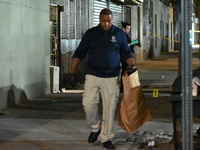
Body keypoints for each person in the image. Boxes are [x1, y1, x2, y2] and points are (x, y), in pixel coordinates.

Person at [69, 8, 136, 149]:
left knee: (109, 108)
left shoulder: (119, 34)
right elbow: (79, 53)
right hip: (92, 74)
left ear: (112, 20)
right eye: (103, 21)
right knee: (88, 104)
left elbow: (126, 53)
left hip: (111, 76)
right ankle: (95, 127)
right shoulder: (91, 34)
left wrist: (133, 66)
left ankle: (106, 138)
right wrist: (72, 72)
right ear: (99, 20)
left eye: (109, 21)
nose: (106, 24)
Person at [120, 21, 135, 93]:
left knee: (126, 71)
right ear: (124, 28)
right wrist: (133, 43)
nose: (129, 30)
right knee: (125, 71)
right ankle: (124, 87)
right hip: (124, 56)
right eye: (128, 28)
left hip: (125, 55)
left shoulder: (124, 35)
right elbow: (125, 45)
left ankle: (124, 87)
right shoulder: (122, 35)